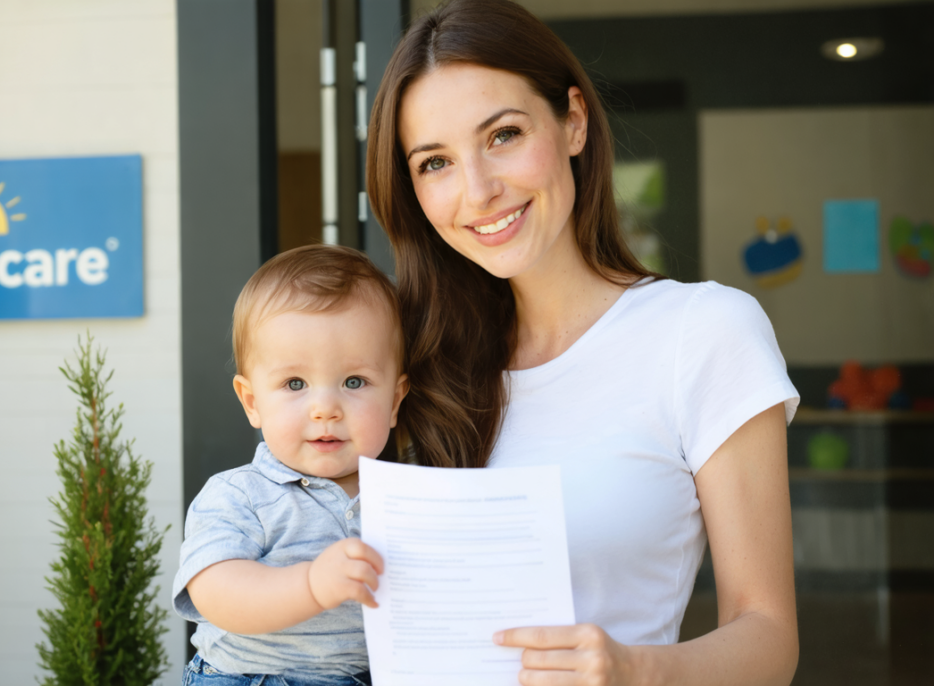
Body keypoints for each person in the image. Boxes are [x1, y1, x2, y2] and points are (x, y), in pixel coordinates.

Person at [365, 1, 800, 684]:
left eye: (503, 135)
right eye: (435, 162)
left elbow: (769, 637)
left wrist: (634, 670)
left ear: (573, 121)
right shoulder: (400, 364)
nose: (478, 190)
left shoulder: (702, 332)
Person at [172, 245, 409, 686]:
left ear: (394, 400)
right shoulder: (241, 495)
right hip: (251, 677)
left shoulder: (404, 497)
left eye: (354, 381)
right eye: (295, 383)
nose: (325, 408)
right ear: (252, 402)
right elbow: (215, 593)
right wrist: (312, 585)